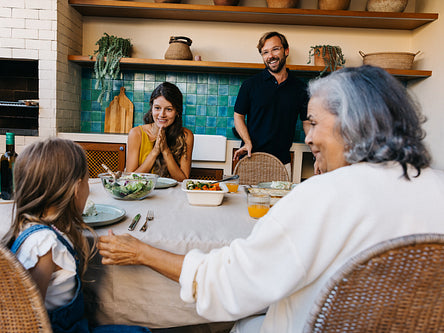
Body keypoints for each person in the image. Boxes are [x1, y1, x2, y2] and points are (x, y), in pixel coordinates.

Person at [97, 65, 444, 333]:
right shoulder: (437, 186)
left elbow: (228, 283)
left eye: (313, 123)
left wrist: (141, 251)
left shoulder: (322, 196)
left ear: (352, 124)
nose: (307, 137)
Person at [2, 138, 150, 333]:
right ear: (76, 189)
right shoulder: (43, 246)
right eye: (88, 182)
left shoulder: (41, 230)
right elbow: (26, 321)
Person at [233, 31, 311, 176]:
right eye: (265, 52)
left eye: (275, 49)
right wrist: (247, 141)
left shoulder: (300, 88)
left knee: (280, 200)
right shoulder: (250, 85)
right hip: (251, 159)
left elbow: (306, 122)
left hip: (281, 162)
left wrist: (317, 154)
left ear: (286, 51)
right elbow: (238, 116)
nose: (271, 56)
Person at [126, 82, 194, 182]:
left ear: (177, 112)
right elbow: (130, 179)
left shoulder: (186, 136)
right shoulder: (136, 134)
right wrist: (155, 151)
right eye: (157, 108)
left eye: (169, 109)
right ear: (151, 108)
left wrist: (165, 150)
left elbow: (183, 180)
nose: (162, 114)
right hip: (142, 195)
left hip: (173, 194)